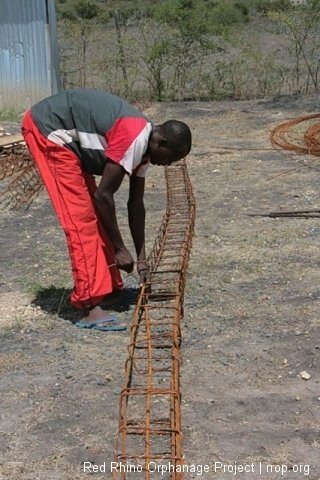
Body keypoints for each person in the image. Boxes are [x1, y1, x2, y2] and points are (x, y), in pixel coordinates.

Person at [21, 89, 192, 331]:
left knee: (97, 219)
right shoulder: (135, 138)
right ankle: (89, 306)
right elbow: (103, 196)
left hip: (69, 144)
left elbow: (135, 205)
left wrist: (141, 261)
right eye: (172, 157)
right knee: (82, 221)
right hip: (48, 131)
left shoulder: (145, 149)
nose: (169, 164)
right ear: (161, 143)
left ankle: (109, 291)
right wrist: (121, 248)